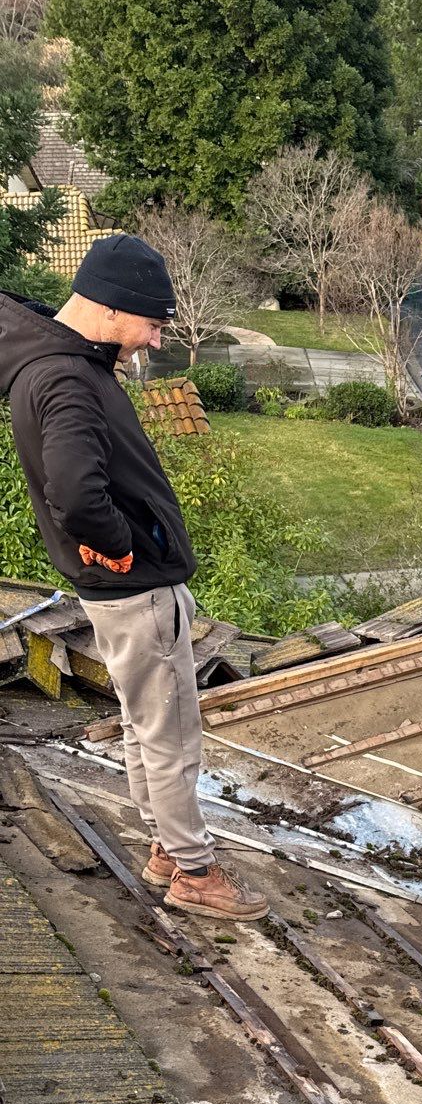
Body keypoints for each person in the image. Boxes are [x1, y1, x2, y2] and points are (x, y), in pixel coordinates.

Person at [0, 234, 267, 919]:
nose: (153, 341)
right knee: (172, 733)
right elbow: (77, 493)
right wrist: (122, 546)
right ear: (111, 309)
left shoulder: (54, 363)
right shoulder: (65, 378)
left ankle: (164, 849)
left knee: (147, 722)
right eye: (151, 324)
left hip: (119, 592)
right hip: (137, 588)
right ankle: (196, 872)